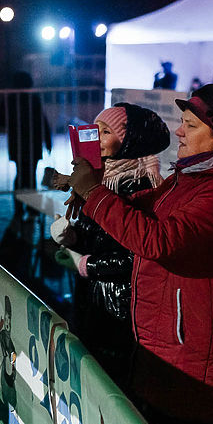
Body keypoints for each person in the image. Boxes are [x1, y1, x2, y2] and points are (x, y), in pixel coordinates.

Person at [66, 83, 213, 424]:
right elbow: (144, 207)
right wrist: (91, 188)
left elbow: (157, 241)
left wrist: (94, 195)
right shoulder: (190, 177)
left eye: (189, 125)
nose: (179, 132)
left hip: (193, 357)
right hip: (167, 346)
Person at [48, 104, 171, 384]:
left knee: (110, 380)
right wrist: (72, 236)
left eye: (106, 132)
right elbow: (99, 233)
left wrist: (85, 264)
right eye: (96, 130)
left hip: (118, 306)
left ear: (130, 140)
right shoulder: (101, 176)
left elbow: (135, 255)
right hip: (93, 296)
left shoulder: (141, 185)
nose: (98, 138)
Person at [0, 71, 52, 213]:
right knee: (31, 175)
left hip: (17, 143)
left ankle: (19, 208)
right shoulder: (33, 99)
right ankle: (31, 208)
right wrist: (48, 140)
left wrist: (13, 122)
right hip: (33, 143)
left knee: (20, 174)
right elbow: (42, 121)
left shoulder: (9, 100)